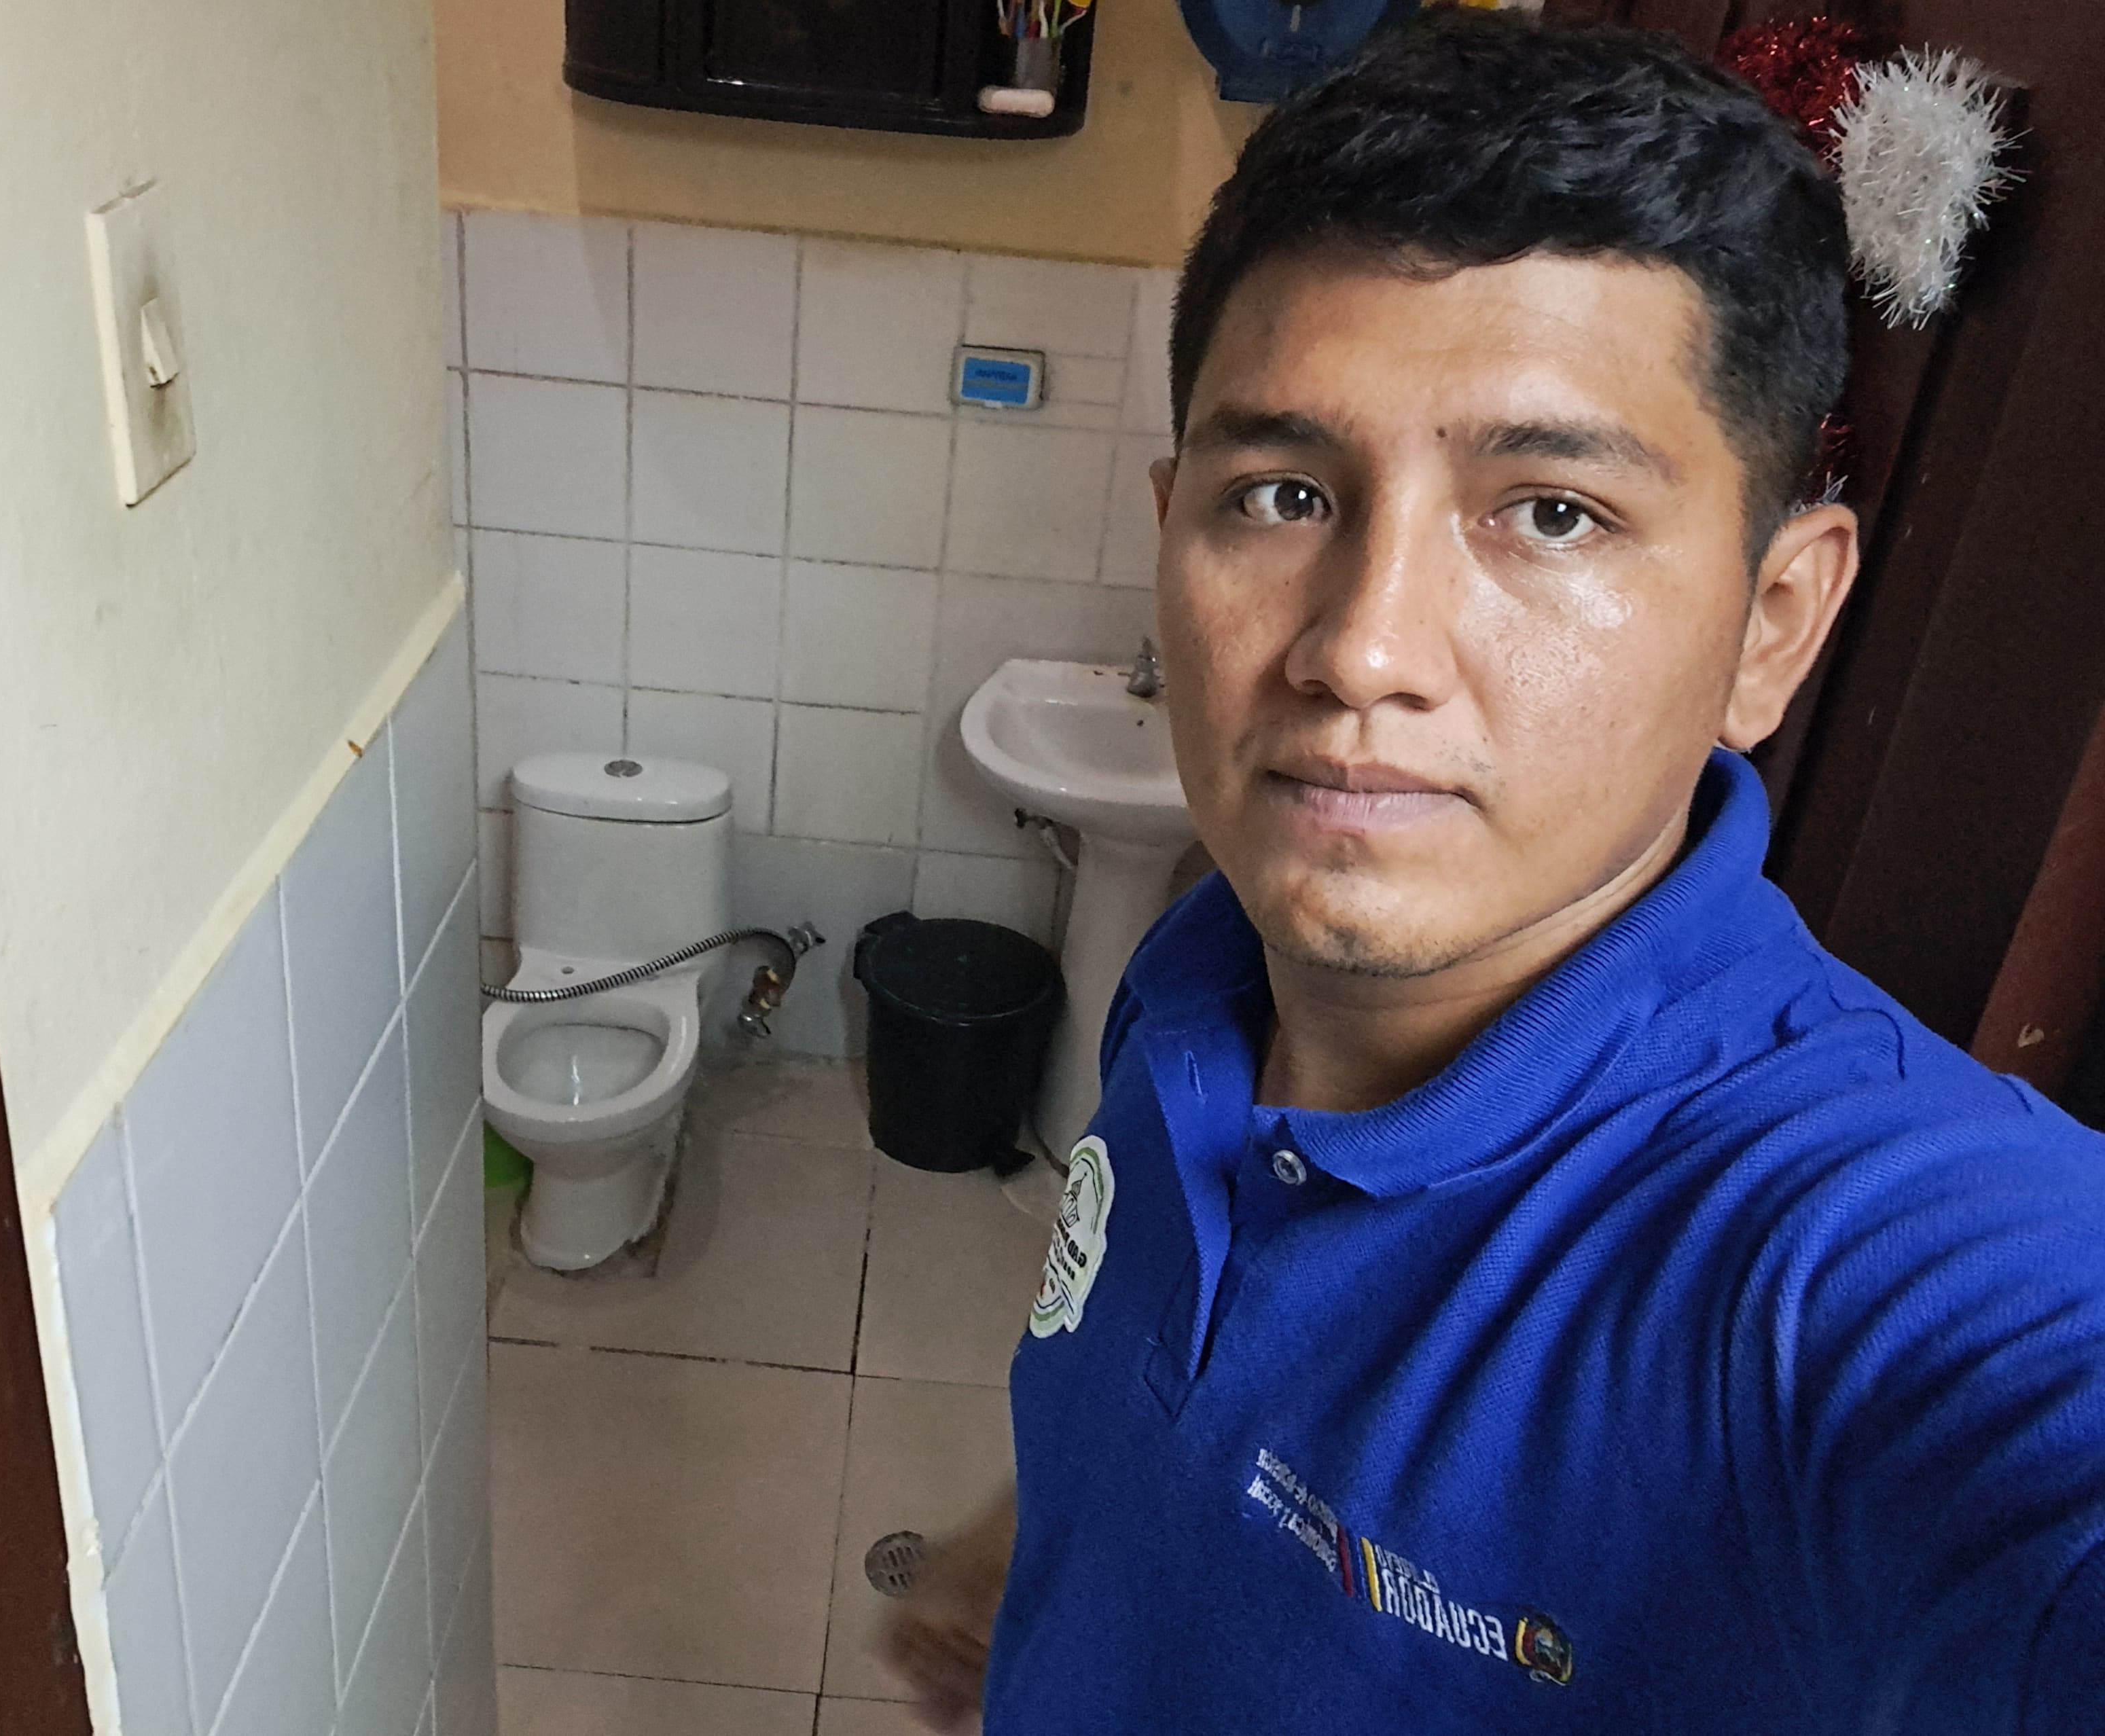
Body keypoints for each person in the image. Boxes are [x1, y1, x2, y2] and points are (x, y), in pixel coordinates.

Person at [880, 10, 2105, 1733]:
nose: (1361, 650)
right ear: (1170, 530)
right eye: (1282, 495)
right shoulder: (1207, 967)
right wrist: (1045, 1543)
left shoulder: (1839, 1261)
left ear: (1774, 624)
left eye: (1551, 513)